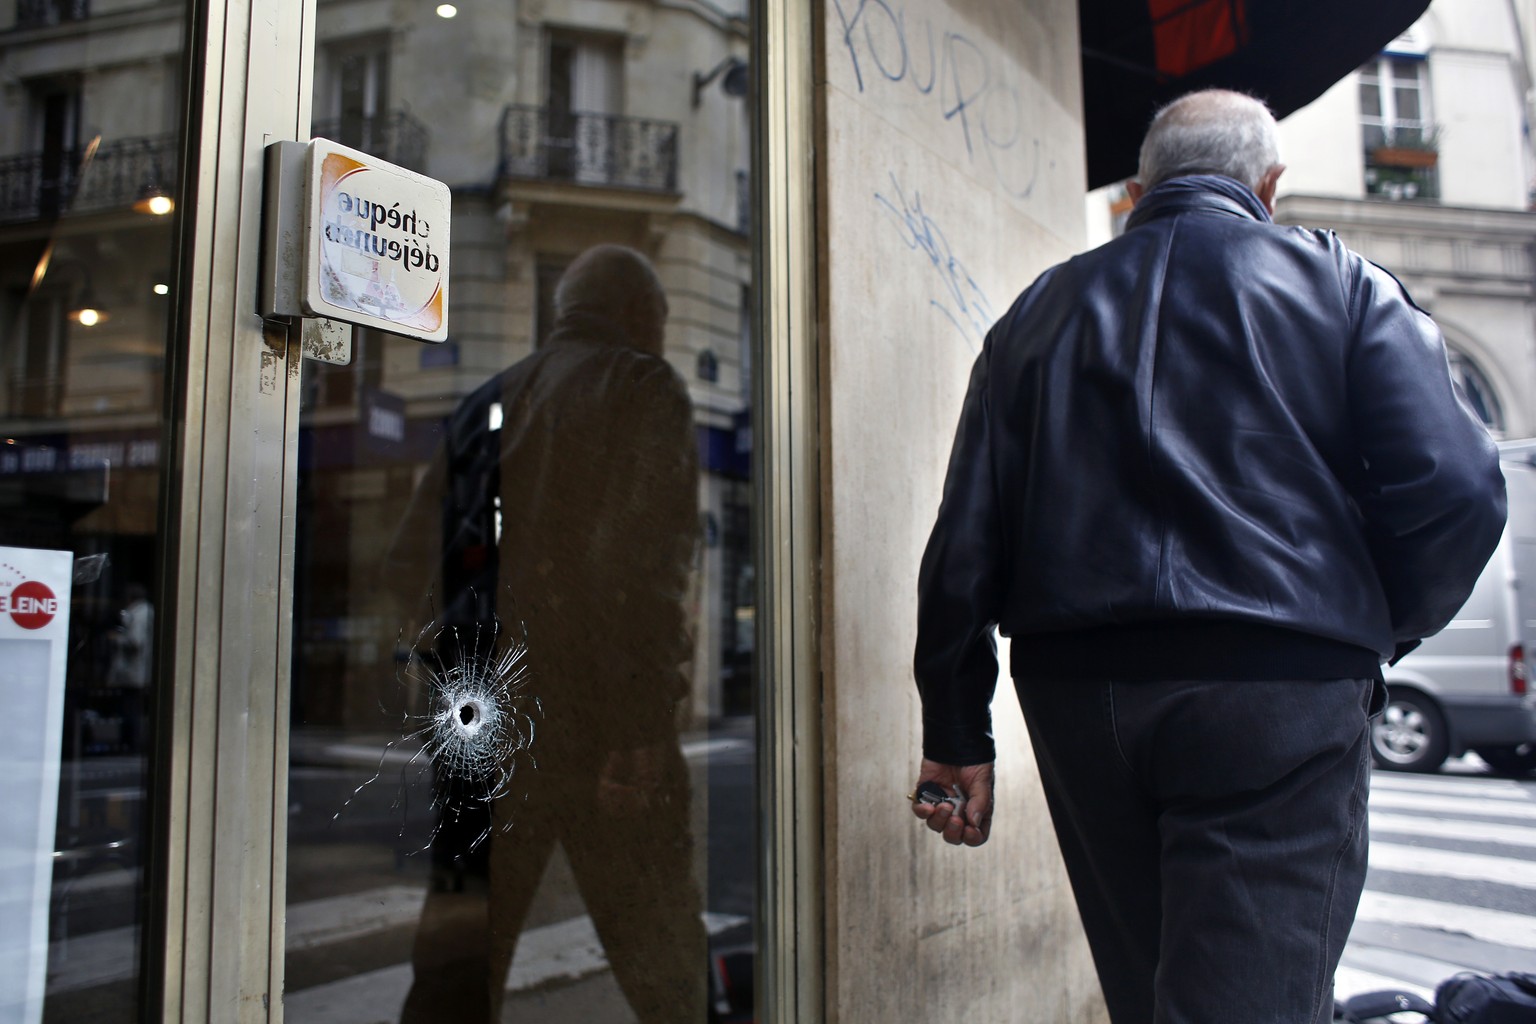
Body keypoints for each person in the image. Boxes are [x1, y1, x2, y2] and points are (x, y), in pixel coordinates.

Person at [909, 89, 1507, 1024]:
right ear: (1269, 186)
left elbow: (964, 543)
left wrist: (955, 731)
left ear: (1141, 189)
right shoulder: (1341, 284)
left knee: (1150, 990)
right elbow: (1459, 488)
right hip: (1276, 691)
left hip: (1079, 696)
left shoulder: (1034, 317)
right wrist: (1375, 627)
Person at [398, 244, 705, 1022]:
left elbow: (408, 555)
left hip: (478, 719)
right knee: (661, 957)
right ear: (642, 316)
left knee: (457, 965)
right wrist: (640, 726)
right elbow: (637, 565)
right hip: (592, 722)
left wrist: (435, 670)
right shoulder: (640, 382)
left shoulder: (482, 404)